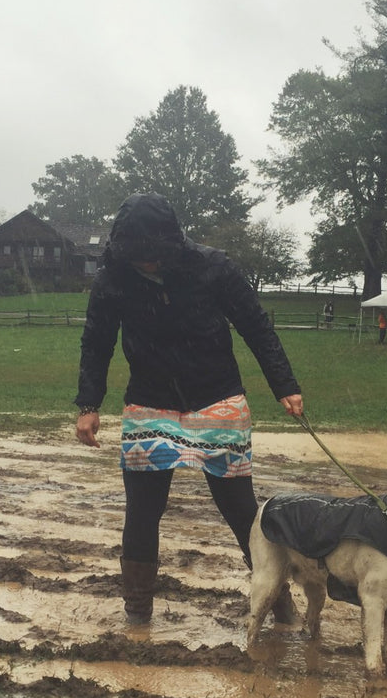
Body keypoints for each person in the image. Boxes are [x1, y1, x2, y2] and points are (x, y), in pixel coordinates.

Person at [74, 193, 304, 625]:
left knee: (239, 509)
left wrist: (284, 385)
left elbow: (256, 325)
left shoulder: (213, 266)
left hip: (217, 399)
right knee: (143, 510)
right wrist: (89, 403)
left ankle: (279, 605)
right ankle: (137, 616)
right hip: (149, 402)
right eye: (137, 257)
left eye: (153, 256)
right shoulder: (112, 278)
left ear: (172, 244)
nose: (147, 264)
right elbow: (96, 342)